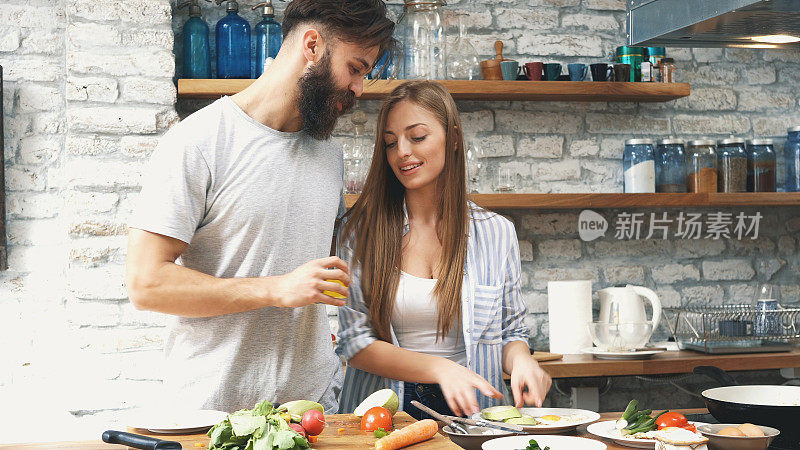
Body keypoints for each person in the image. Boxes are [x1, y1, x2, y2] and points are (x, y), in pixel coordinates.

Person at [124, 0, 396, 413]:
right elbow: (146, 284)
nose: (359, 89)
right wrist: (275, 288)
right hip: (211, 415)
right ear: (312, 45)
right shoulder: (198, 142)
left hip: (313, 412)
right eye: (355, 68)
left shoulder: (329, 156)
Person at [336, 81, 552, 419]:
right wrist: (439, 368)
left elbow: (511, 332)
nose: (402, 152)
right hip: (384, 415)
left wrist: (523, 360)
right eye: (391, 143)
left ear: (452, 138)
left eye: (417, 137)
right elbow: (355, 344)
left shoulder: (496, 232)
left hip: (475, 413)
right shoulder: (360, 232)